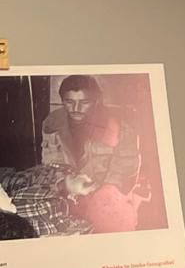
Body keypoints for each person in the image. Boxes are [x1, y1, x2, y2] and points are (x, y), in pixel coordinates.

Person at [39, 75, 144, 234]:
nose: (76, 108)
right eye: (69, 101)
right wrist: (65, 183)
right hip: (69, 193)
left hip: (107, 197)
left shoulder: (120, 125)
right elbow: (51, 161)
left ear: (96, 101)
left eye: (84, 102)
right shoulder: (52, 122)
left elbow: (127, 166)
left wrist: (107, 192)